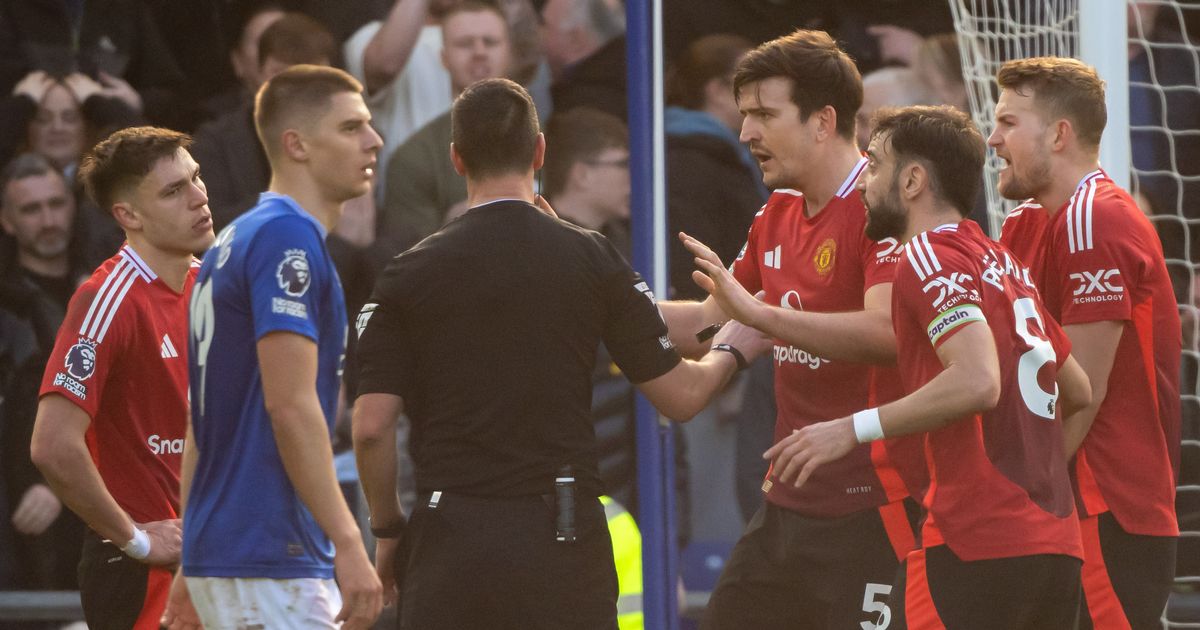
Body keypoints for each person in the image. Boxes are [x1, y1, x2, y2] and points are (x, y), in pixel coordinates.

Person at [350, 77, 769, 630]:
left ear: (456, 159)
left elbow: (371, 427)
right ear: (540, 152)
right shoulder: (587, 258)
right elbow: (682, 395)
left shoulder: (407, 273)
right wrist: (733, 351)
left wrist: (387, 530)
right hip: (560, 535)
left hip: (449, 535)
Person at [723, 104, 1091, 628]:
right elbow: (1078, 391)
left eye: (874, 165)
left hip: (973, 539)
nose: (863, 182)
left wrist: (851, 428)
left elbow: (978, 381)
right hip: (1054, 545)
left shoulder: (926, 256)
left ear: (913, 181)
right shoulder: (1003, 262)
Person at [655, 29, 915, 630]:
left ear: (823, 121)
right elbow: (707, 323)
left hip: (878, 510)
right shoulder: (777, 211)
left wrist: (765, 318)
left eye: (765, 115)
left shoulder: (884, 209)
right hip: (788, 507)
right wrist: (597, 294)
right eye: (744, 114)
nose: (746, 133)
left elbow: (889, 334)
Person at [172, 64, 383, 630]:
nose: (374, 140)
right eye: (351, 127)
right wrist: (349, 542)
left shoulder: (233, 238)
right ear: (296, 145)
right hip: (268, 552)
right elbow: (289, 405)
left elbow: (201, 419)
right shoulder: (285, 239)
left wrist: (192, 554)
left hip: (230, 552)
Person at [991, 56, 1181, 629]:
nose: (992, 139)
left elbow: (1082, 393)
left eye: (1007, 123)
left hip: (1103, 506)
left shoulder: (1094, 221)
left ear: (1058, 134)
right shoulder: (1024, 224)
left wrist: (1014, 499)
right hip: (1059, 504)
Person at [28, 125, 215, 628]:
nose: (199, 197)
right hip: (144, 572)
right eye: (173, 191)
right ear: (128, 215)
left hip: (210, 559)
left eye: (196, 178)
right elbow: (52, 445)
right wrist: (135, 539)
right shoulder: (107, 297)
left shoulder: (212, 284)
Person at [0, 152, 87, 592]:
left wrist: (59, 483)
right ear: (8, 221)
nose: (48, 220)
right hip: (21, 515)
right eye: (32, 209)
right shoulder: (7, 310)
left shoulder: (107, 288)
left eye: (56, 203)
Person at [376, 0, 515, 256]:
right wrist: (452, 227)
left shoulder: (550, 138)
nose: (479, 52)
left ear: (511, 52)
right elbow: (406, 262)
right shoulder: (414, 157)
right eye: (465, 44)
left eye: (490, 42)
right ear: (444, 58)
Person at [540, 0, 627, 118]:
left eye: (546, 26)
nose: (540, 37)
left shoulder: (580, 108)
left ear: (575, 40)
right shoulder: (635, 76)